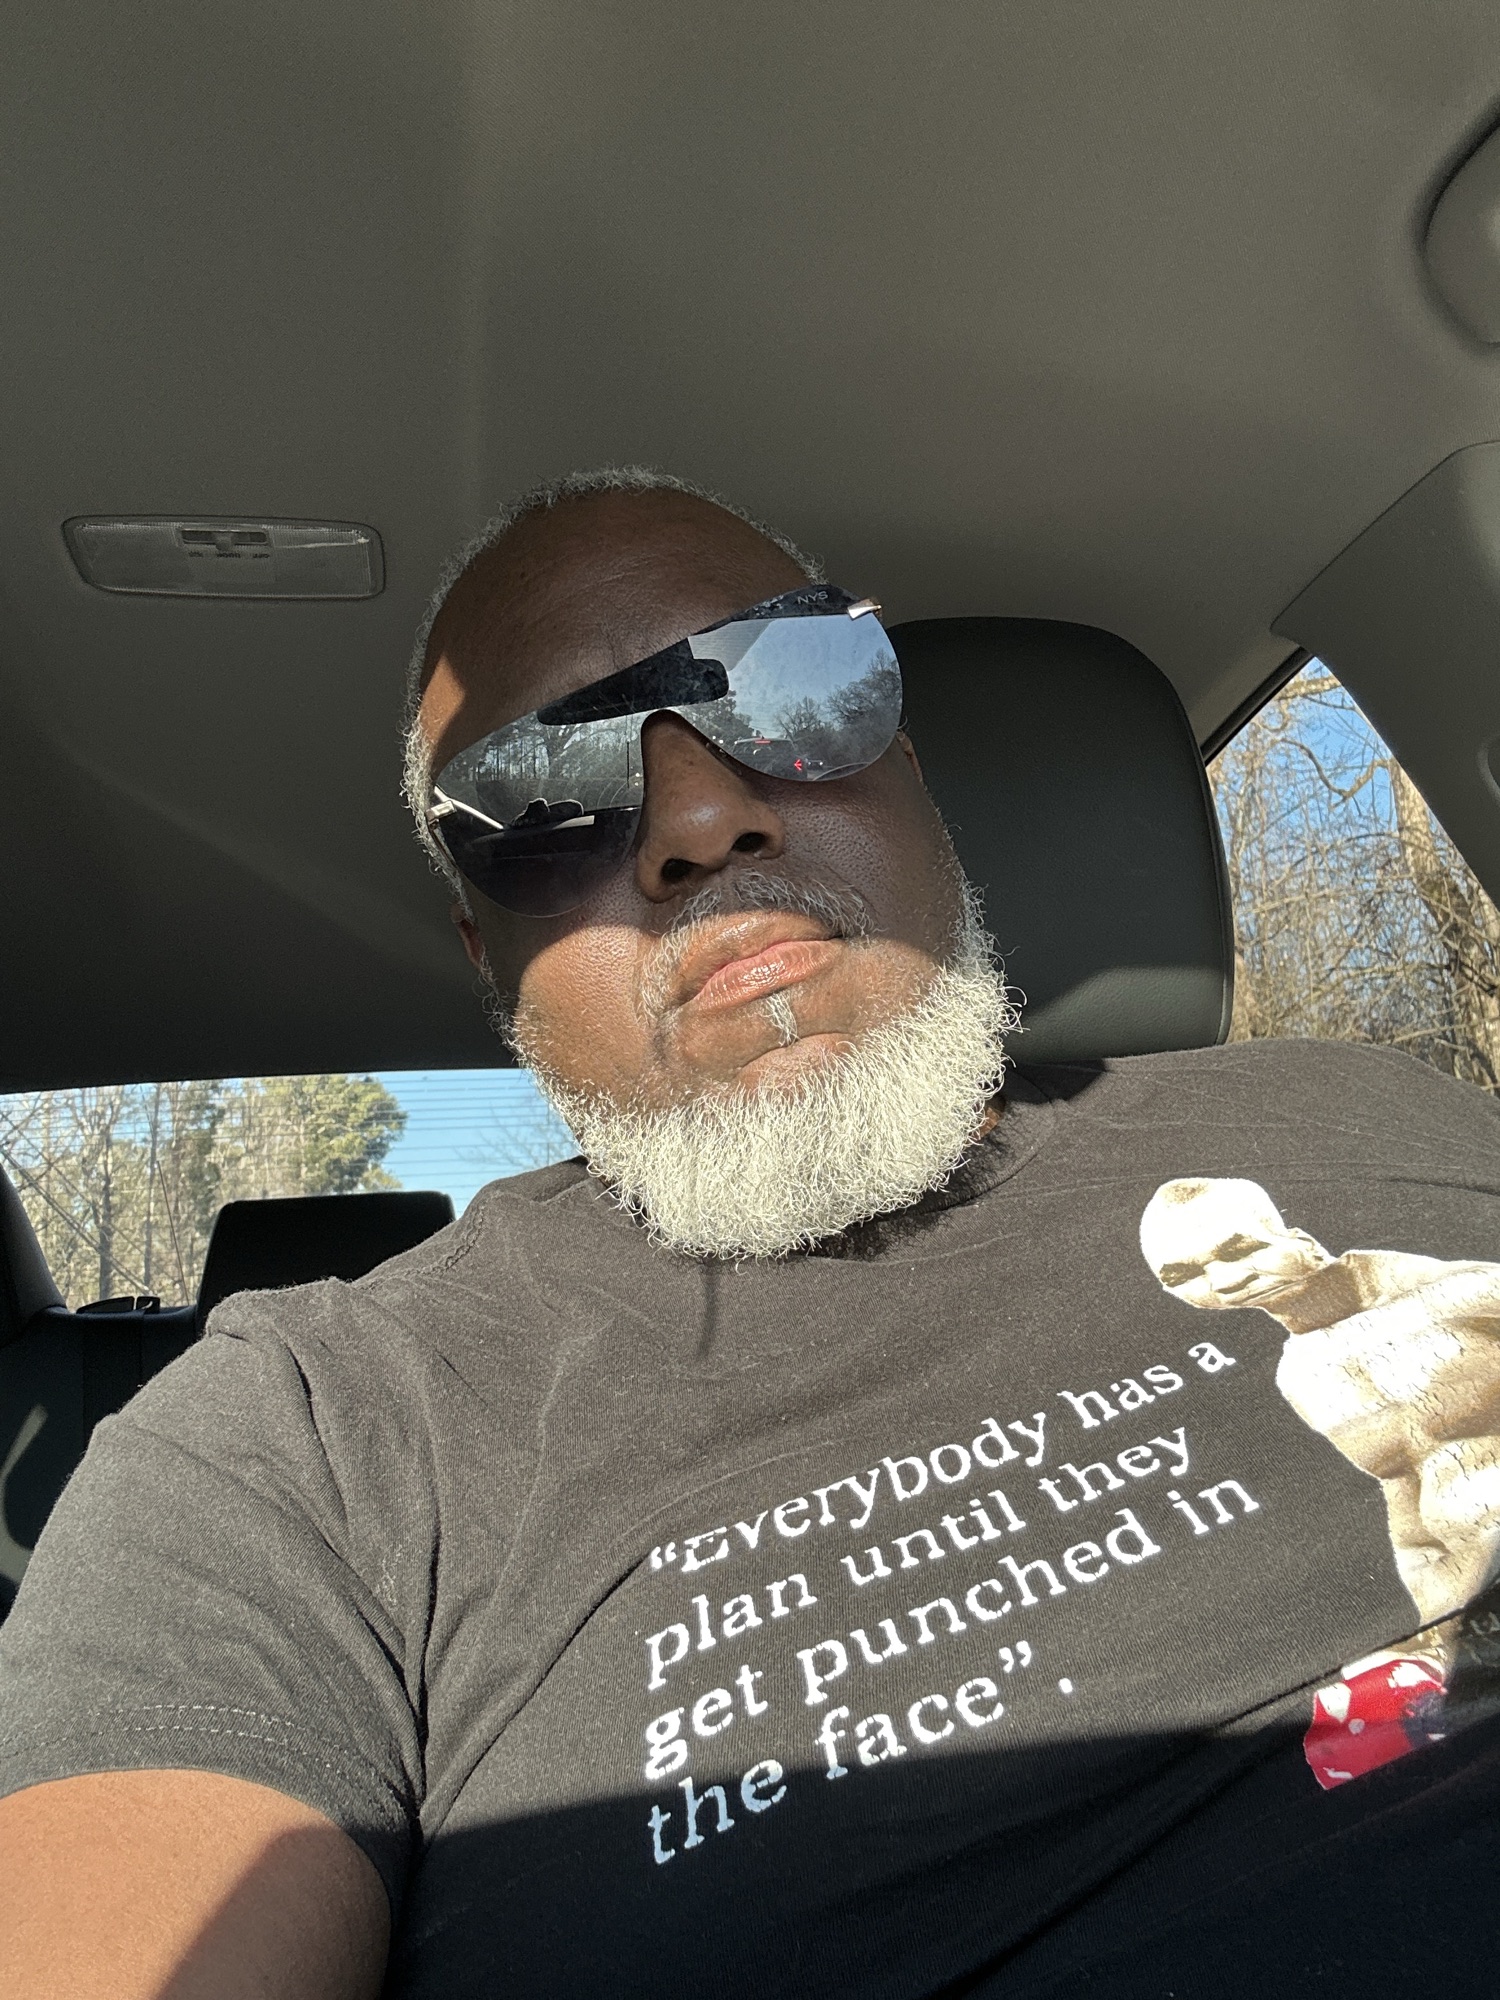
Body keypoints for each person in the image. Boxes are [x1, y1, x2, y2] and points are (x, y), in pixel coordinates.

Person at [3, 467, 1500, 1999]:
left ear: (909, 764)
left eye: (793, 686)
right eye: (541, 791)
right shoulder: (302, 1443)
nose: (704, 818)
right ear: (486, 952)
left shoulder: (1387, 1112)